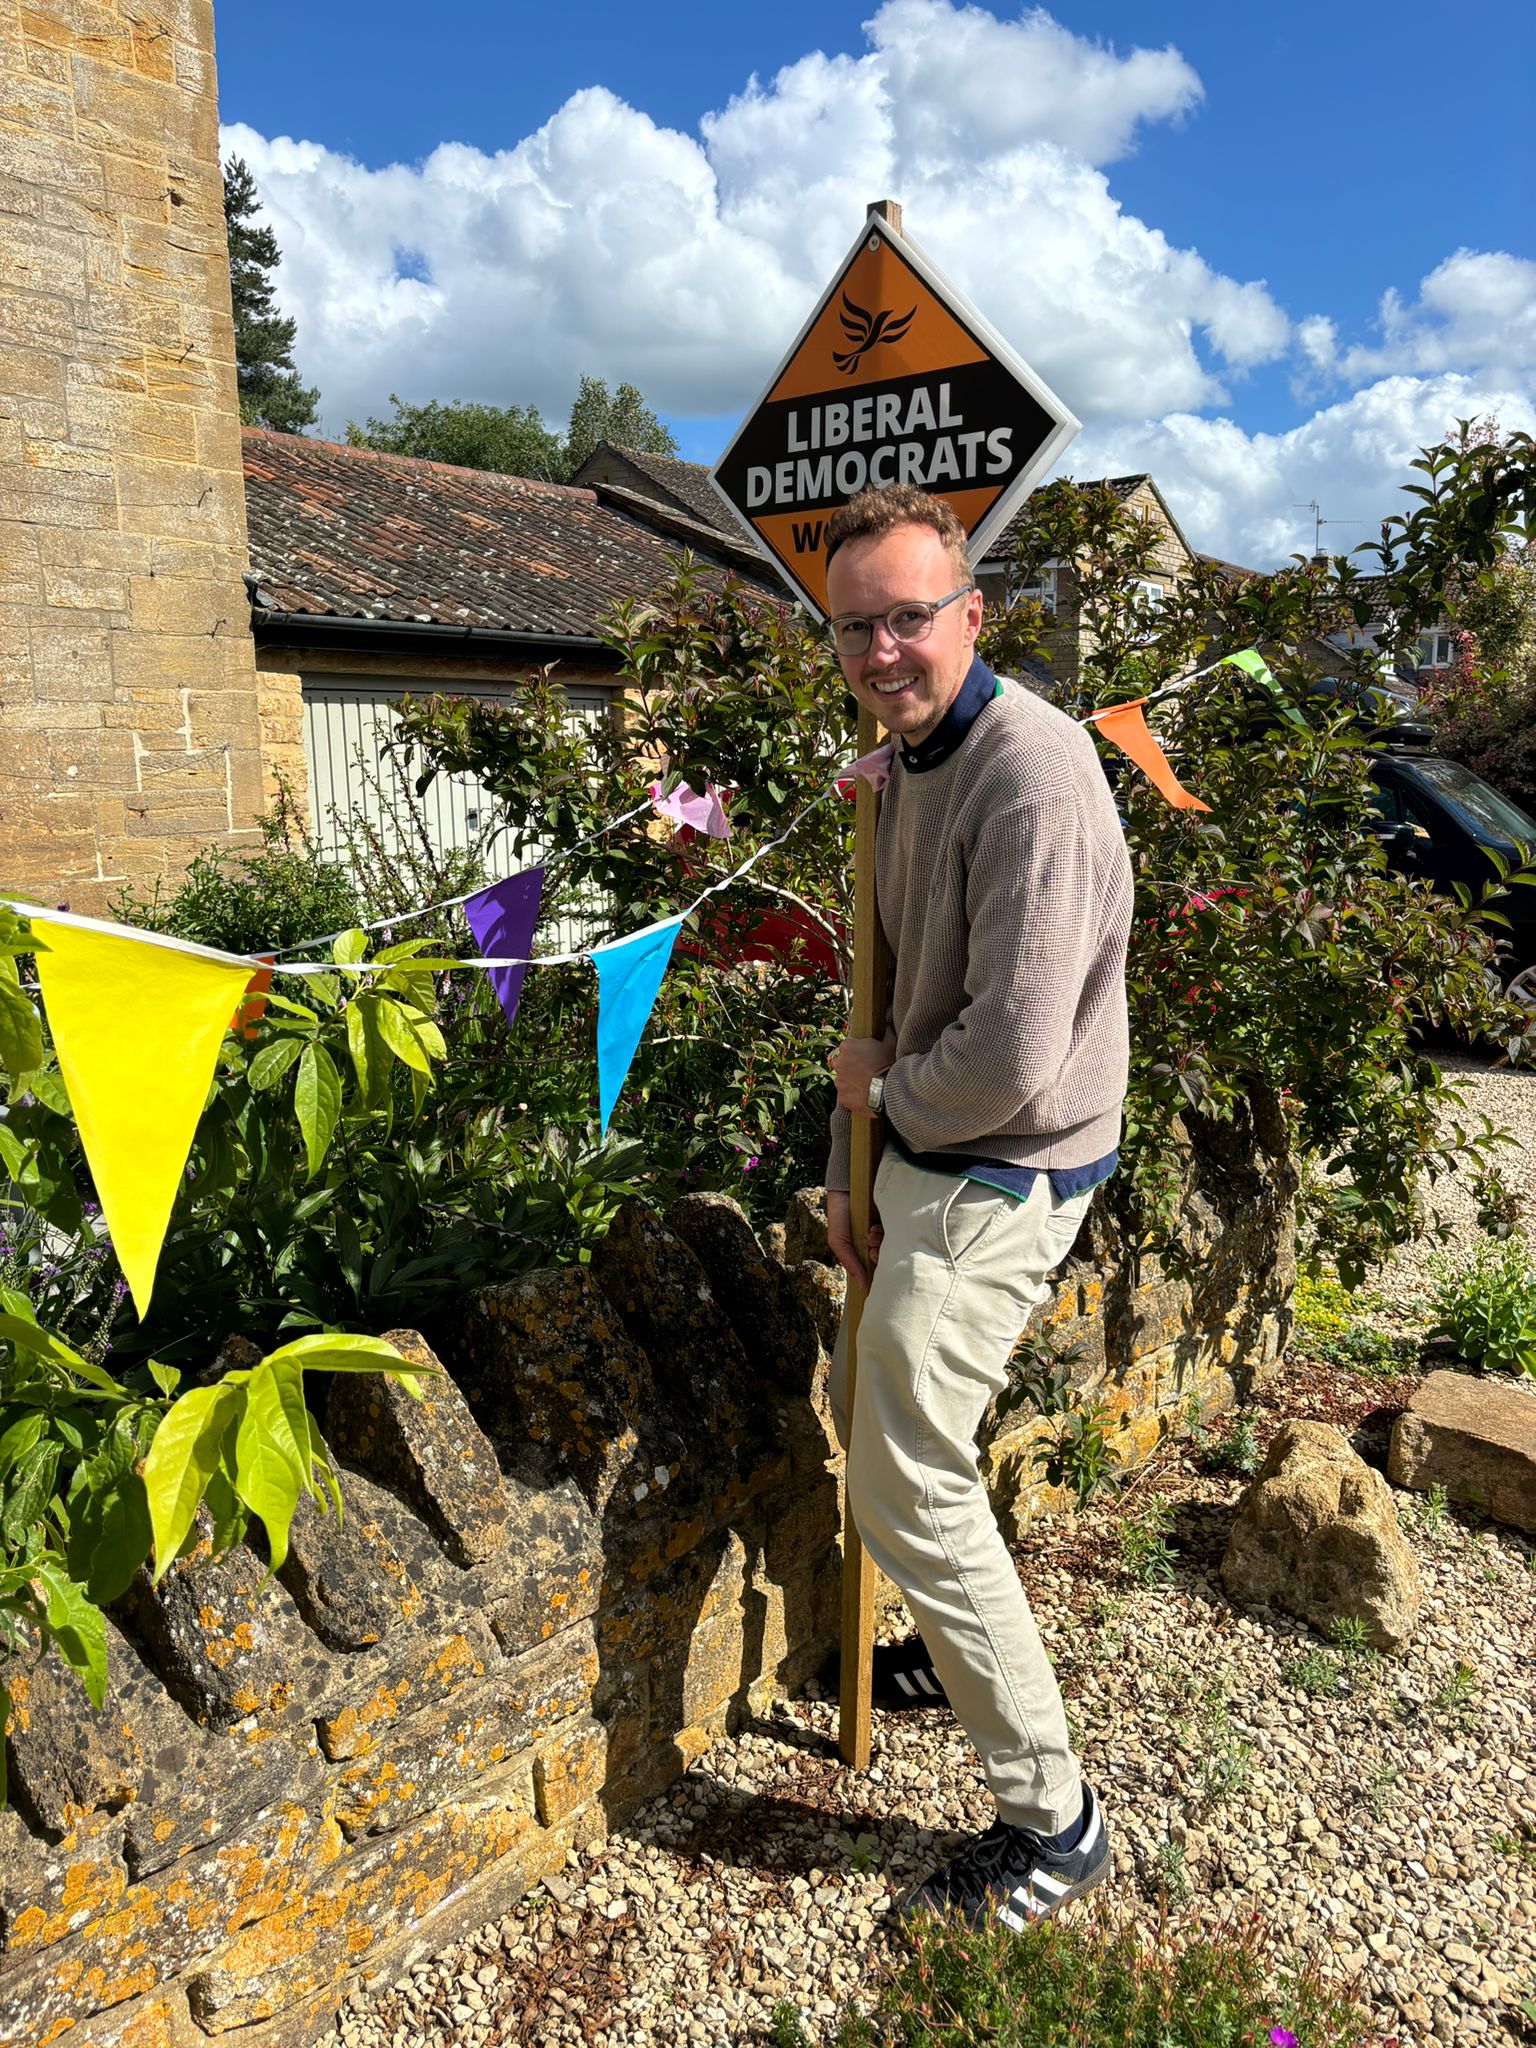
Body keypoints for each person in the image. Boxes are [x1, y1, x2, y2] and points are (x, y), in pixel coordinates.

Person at [822, 483, 1133, 1931]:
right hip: (923, 1141)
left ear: (972, 613)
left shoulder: (1034, 773)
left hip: (1005, 1158)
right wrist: (852, 1163)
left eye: (908, 618)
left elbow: (1009, 1053)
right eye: (855, 628)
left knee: (903, 1474)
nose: (881, 650)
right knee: (890, 1431)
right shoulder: (907, 766)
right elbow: (881, 1000)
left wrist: (883, 1105)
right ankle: (960, 1649)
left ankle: (1053, 1823)